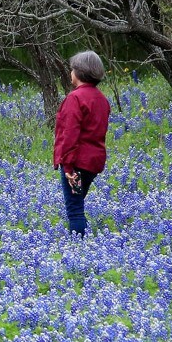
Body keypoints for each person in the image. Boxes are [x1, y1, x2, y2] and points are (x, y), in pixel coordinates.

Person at [52, 51, 111, 238]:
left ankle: (79, 248)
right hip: (93, 163)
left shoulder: (75, 98)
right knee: (77, 201)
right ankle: (83, 244)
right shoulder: (101, 99)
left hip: (76, 164)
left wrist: (67, 166)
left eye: (72, 70)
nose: (70, 73)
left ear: (78, 73)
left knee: (75, 209)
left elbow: (69, 134)